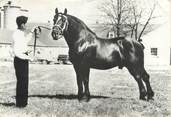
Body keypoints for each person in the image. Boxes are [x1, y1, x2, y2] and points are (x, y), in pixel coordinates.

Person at [12, 15, 39, 108]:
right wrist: (29, 58)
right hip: (20, 60)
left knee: (24, 81)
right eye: (25, 24)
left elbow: (25, 42)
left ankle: (23, 103)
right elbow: (17, 52)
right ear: (22, 24)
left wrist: (32, 31)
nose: (26, 26)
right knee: (21, 82)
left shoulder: (20, 33)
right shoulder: (17, 34)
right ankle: (20, 104)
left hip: (23, 60)